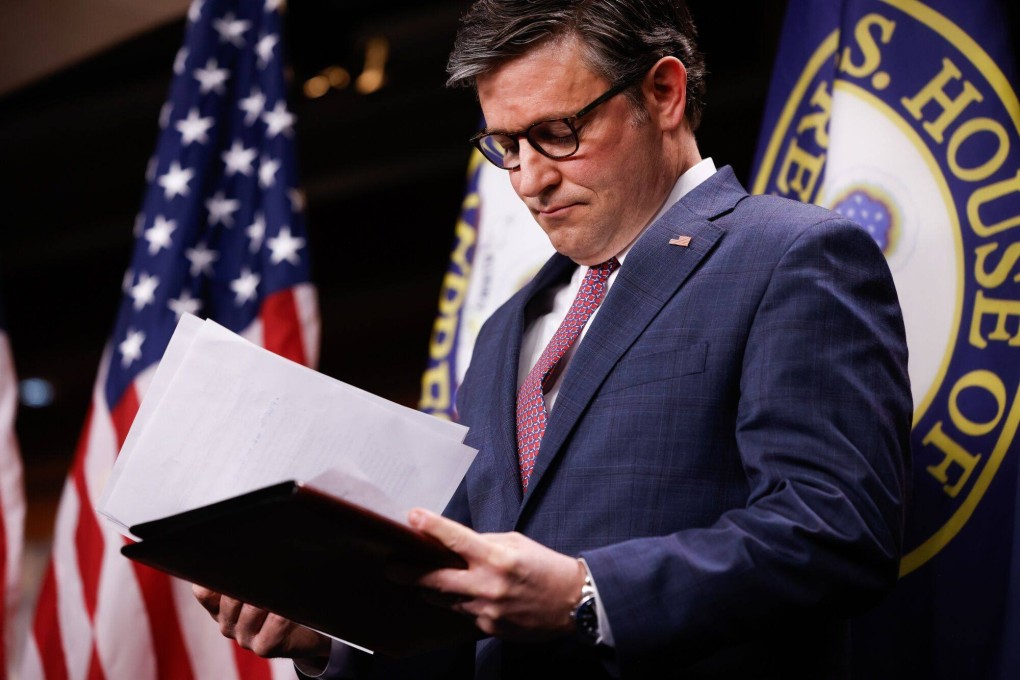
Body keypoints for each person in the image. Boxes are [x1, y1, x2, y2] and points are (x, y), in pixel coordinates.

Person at [194, 0, 913, 677]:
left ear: (662, 92)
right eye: (505, 145)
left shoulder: (792, 256)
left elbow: (833, 533)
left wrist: (587, 595)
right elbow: (462, 608)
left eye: (556, 133)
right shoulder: (505, 332)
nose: (529, 179)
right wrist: (328, 633)